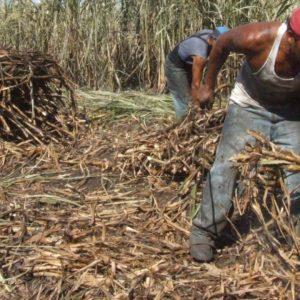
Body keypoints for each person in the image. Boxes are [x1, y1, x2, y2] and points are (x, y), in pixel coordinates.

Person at [190, 7, 300, 262]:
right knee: (226, 166)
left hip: (292, 113)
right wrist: (208, 85)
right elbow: (222, 43)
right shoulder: (258, 37)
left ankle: (296, 235)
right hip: (250, 105)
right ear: (292, 38)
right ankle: (204, 232)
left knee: (297, 174)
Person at [165, 26, 229, 119]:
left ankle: (197, 118)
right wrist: (197, 107)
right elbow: (195, 85)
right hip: (175, 65)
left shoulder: (212, 35)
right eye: (220, 45)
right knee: (184, 99)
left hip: (188, 63)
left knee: (197, 96)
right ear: (212, 39)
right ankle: (182, 124)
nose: (222, 49)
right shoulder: (200, 53)